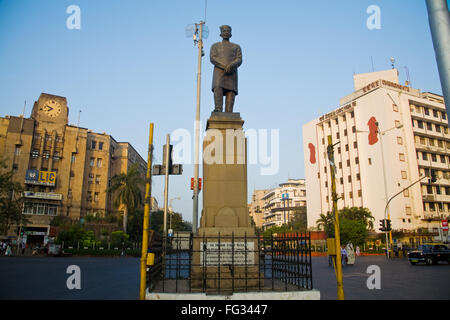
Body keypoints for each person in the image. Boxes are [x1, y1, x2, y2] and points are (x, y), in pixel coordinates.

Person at [210, 25, 243, 113]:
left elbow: (239, 59)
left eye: (228, 31)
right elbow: (212, 58)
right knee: (218, 88)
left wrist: (232, 65)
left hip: (232, 73)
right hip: (219, 72)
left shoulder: (236, 47)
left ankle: (229, 112)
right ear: (220, 33)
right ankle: (218, 109)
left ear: (230, 34)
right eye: (224, 31)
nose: (226, 33)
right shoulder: (215, 46)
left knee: (231, 91)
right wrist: (224, 66)